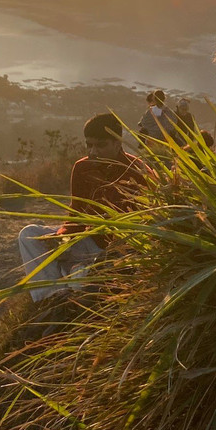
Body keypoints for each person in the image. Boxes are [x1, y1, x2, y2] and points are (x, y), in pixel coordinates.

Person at [17, 113, 153, 302]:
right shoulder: (82, 168)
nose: (92, 151)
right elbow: (76, 213)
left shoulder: (138, 171)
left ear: (117, 142)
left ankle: (70, 290)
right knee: (28, 235)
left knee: (79, 279)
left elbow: (149, 225)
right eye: (89, 144)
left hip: (115, 253)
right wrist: (62, 237)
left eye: (100, 145)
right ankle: (49, 299)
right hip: (86, 240)